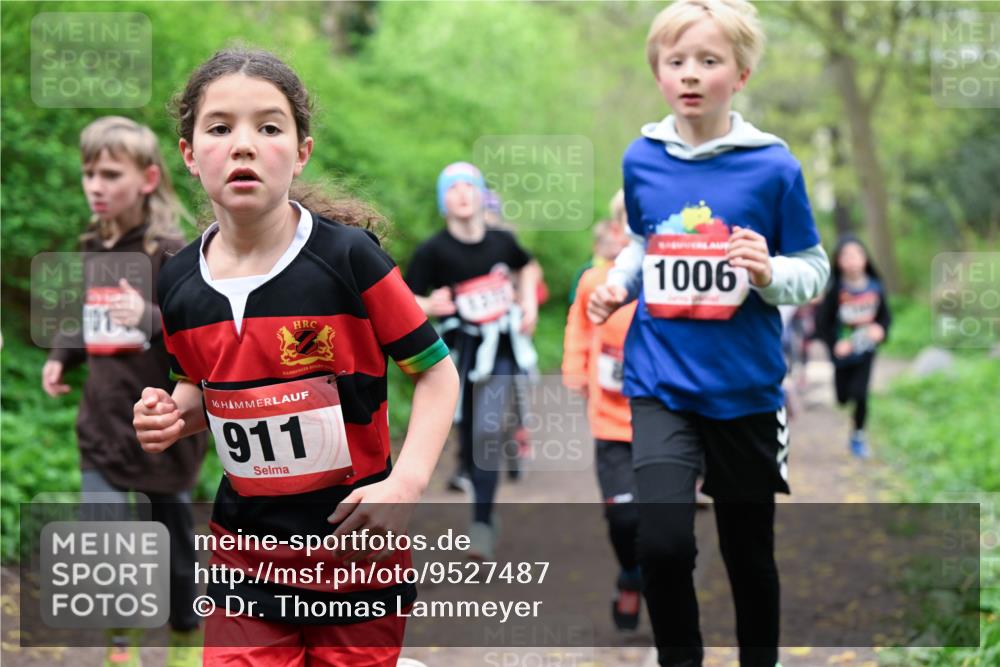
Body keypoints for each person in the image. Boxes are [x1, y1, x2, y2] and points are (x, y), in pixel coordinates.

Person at [132, 48, 458, 666]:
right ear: (188, 153)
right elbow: (203, 389)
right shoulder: (178, 281)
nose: (244, 145)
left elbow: (436, 372)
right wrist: (171, 413)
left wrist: (409, 480)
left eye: (270, 127)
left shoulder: (349, 259)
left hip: (354, 547)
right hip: (245, 552)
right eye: (220, 128)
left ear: (301, 151)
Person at [587, 1, 831, 665]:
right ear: (659, 73)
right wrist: (619, 282)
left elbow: (814, 269)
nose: (690, 74)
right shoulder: (642, 158)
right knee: (662, 542)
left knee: (747, 550)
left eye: (708, 60)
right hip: (661, 379)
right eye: (676, 62)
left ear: (741, 75)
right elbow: (644, 242)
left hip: (745, 388)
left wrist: (767, 272)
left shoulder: (774, 167)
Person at [41, 116, 209, 667]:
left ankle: (186, 639)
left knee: (176, 551)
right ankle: (122, 646)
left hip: (163, 426)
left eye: (110, 172)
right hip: (102, 423)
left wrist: (149, 316)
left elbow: (202, 330)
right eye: (89, 172)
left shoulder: (171, 252)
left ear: (147, 178)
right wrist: (63, 355)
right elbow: (86, 311)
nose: (95, 184)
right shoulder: (93, 243)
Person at [405, 162, 541, 560]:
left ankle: (481, 525)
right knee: (467, 438)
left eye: (470, 186)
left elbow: (527, 266)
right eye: (453, 188)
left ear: (482, 195)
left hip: (499, 351)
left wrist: (528, 304)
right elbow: (402, 297)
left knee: (486, 433)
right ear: (443, 201)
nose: (462, 193)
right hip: (457, 355)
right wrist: (429, 303)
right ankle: (482, 508)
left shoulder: (501, 241)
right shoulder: (433, 250)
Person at [562, 220, 642, 630]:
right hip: (611, 417)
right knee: (623, 516)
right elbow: (579, 325)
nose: (622, 235)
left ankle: (665, 595)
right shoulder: (595, 280)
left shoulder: (665, 279)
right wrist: (575, 369)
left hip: (663, 414)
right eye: (618, 226)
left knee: (665, 520)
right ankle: (631, 573)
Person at [814, 236, 891, 459]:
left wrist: (881, 330)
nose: (852, 260)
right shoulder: (836, 289)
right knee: (842, 397)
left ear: (865, 258)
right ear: (838, 261)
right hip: (842, 355)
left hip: (866, 350)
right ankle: (850, 412)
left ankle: (858, 435)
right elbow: (822, 323)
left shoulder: (876, 286)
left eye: (857, 254)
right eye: (846, 256)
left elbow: (885, 317)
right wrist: (835, 344)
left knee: (861, 394)